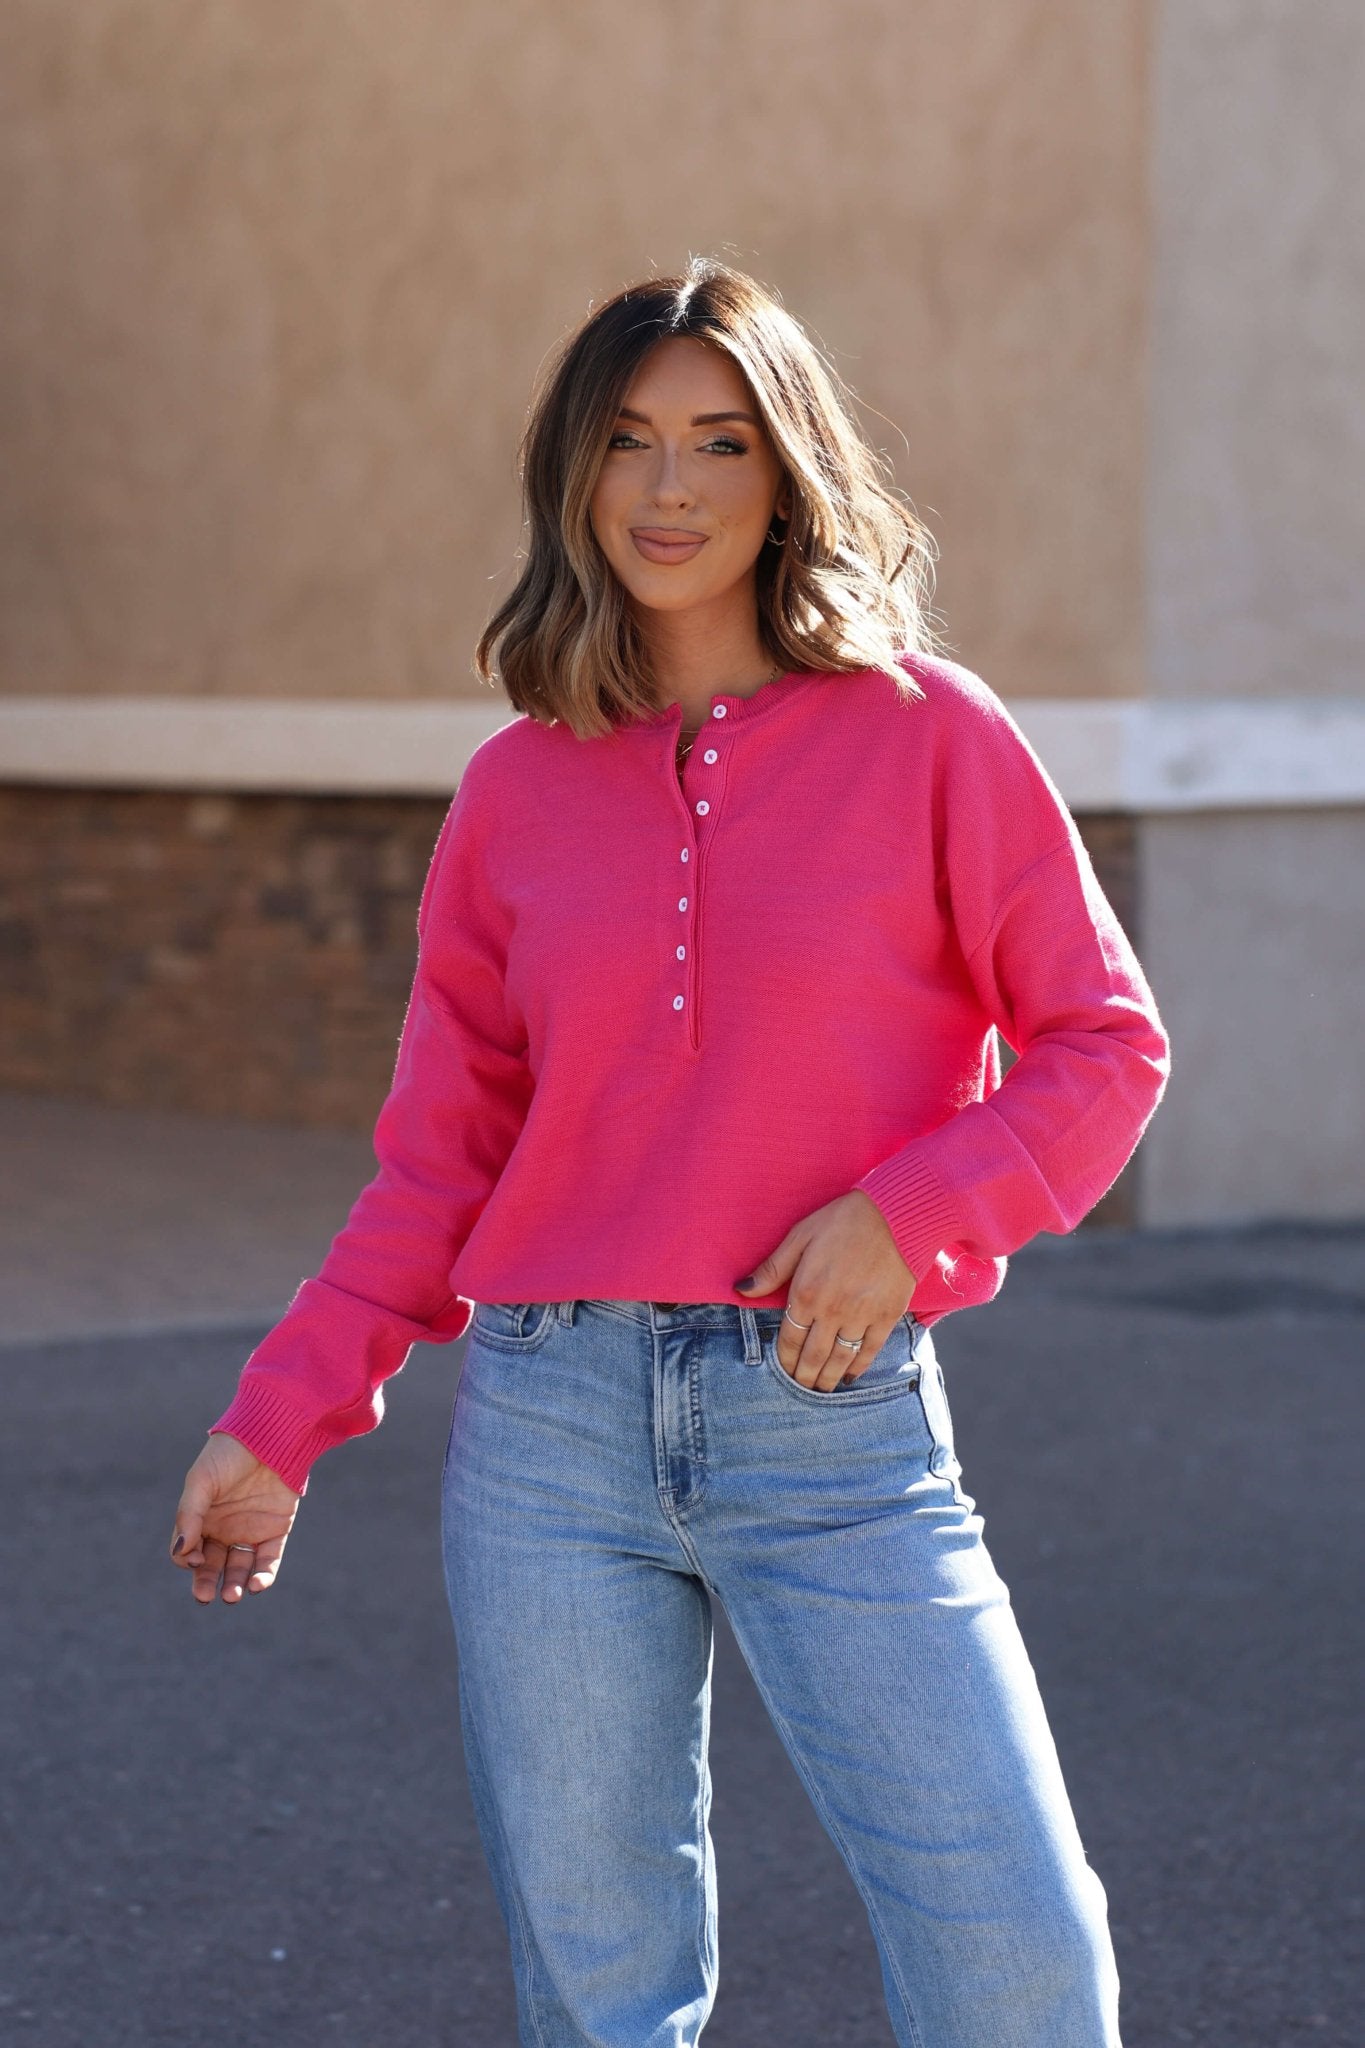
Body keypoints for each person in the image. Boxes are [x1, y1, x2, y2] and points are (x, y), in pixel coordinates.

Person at [169, 257, 1169, 2047]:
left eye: (719, 442)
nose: (669, 489)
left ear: (786, 473)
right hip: (548, 1435)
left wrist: (905, 1214)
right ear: (574, 473)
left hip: (830, 1411)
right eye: (627, 442)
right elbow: (435, 1168)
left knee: (1016, 1954)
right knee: (603, 1997)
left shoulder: (930, 736)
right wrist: (279, 1416)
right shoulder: (514, 793)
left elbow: (1105, 1047)